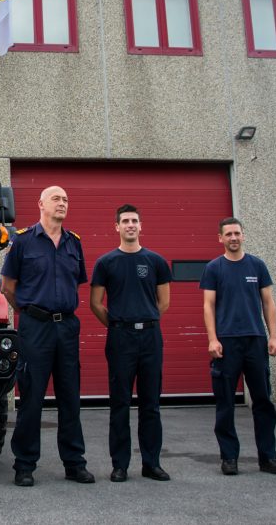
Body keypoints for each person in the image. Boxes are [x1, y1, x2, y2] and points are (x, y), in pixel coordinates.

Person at [0, 186, 93, 487]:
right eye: (56, 199)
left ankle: (74, 463)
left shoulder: (73, 243)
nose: (62, 203)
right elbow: (7, 286)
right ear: (41, 204)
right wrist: (28, 312)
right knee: (32, 397)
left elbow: (75, 283)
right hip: (35, 327)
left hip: (66, 327)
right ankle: (24, 465)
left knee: (70, 397)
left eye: (66, 199)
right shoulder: (23, 241)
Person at [89, 204, 171, 483]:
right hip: (120, 339)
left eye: (134, 220)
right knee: (120, 404)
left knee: (151, 405)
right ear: (117, 227)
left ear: (141, 225)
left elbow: (164, 302)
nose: (130, 225)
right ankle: (119, 465)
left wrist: (144, 321)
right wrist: (118, 325)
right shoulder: (106, 263)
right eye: (125, 221)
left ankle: (152, 464)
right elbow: (95, 303)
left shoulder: (156, 261)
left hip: (150, 338)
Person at [200, 217, 276, 476]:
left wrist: (273, 336)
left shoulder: (257, 265)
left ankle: (268, 458)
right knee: (225, 403)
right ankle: (229, 458)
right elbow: (208, 305)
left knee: (263, 401)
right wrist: (212, 339)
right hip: (226, 343)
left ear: (243, 236)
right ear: (220, 238)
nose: (233, 238)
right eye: (228, 234)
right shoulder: (214, 268)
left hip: (255, 340)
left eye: (237, 233)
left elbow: (268, 302)